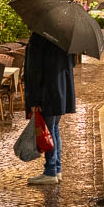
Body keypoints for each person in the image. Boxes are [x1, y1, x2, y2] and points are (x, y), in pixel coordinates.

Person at [23, 32, 76, 185]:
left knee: (49, 129)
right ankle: (57, 169)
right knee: (54, 129)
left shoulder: (39, 37)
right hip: (61, 92)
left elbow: (34, 71)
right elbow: (71, 63)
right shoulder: (65, 38)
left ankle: (51, 171)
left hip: (46, 92)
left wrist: (34, 99)